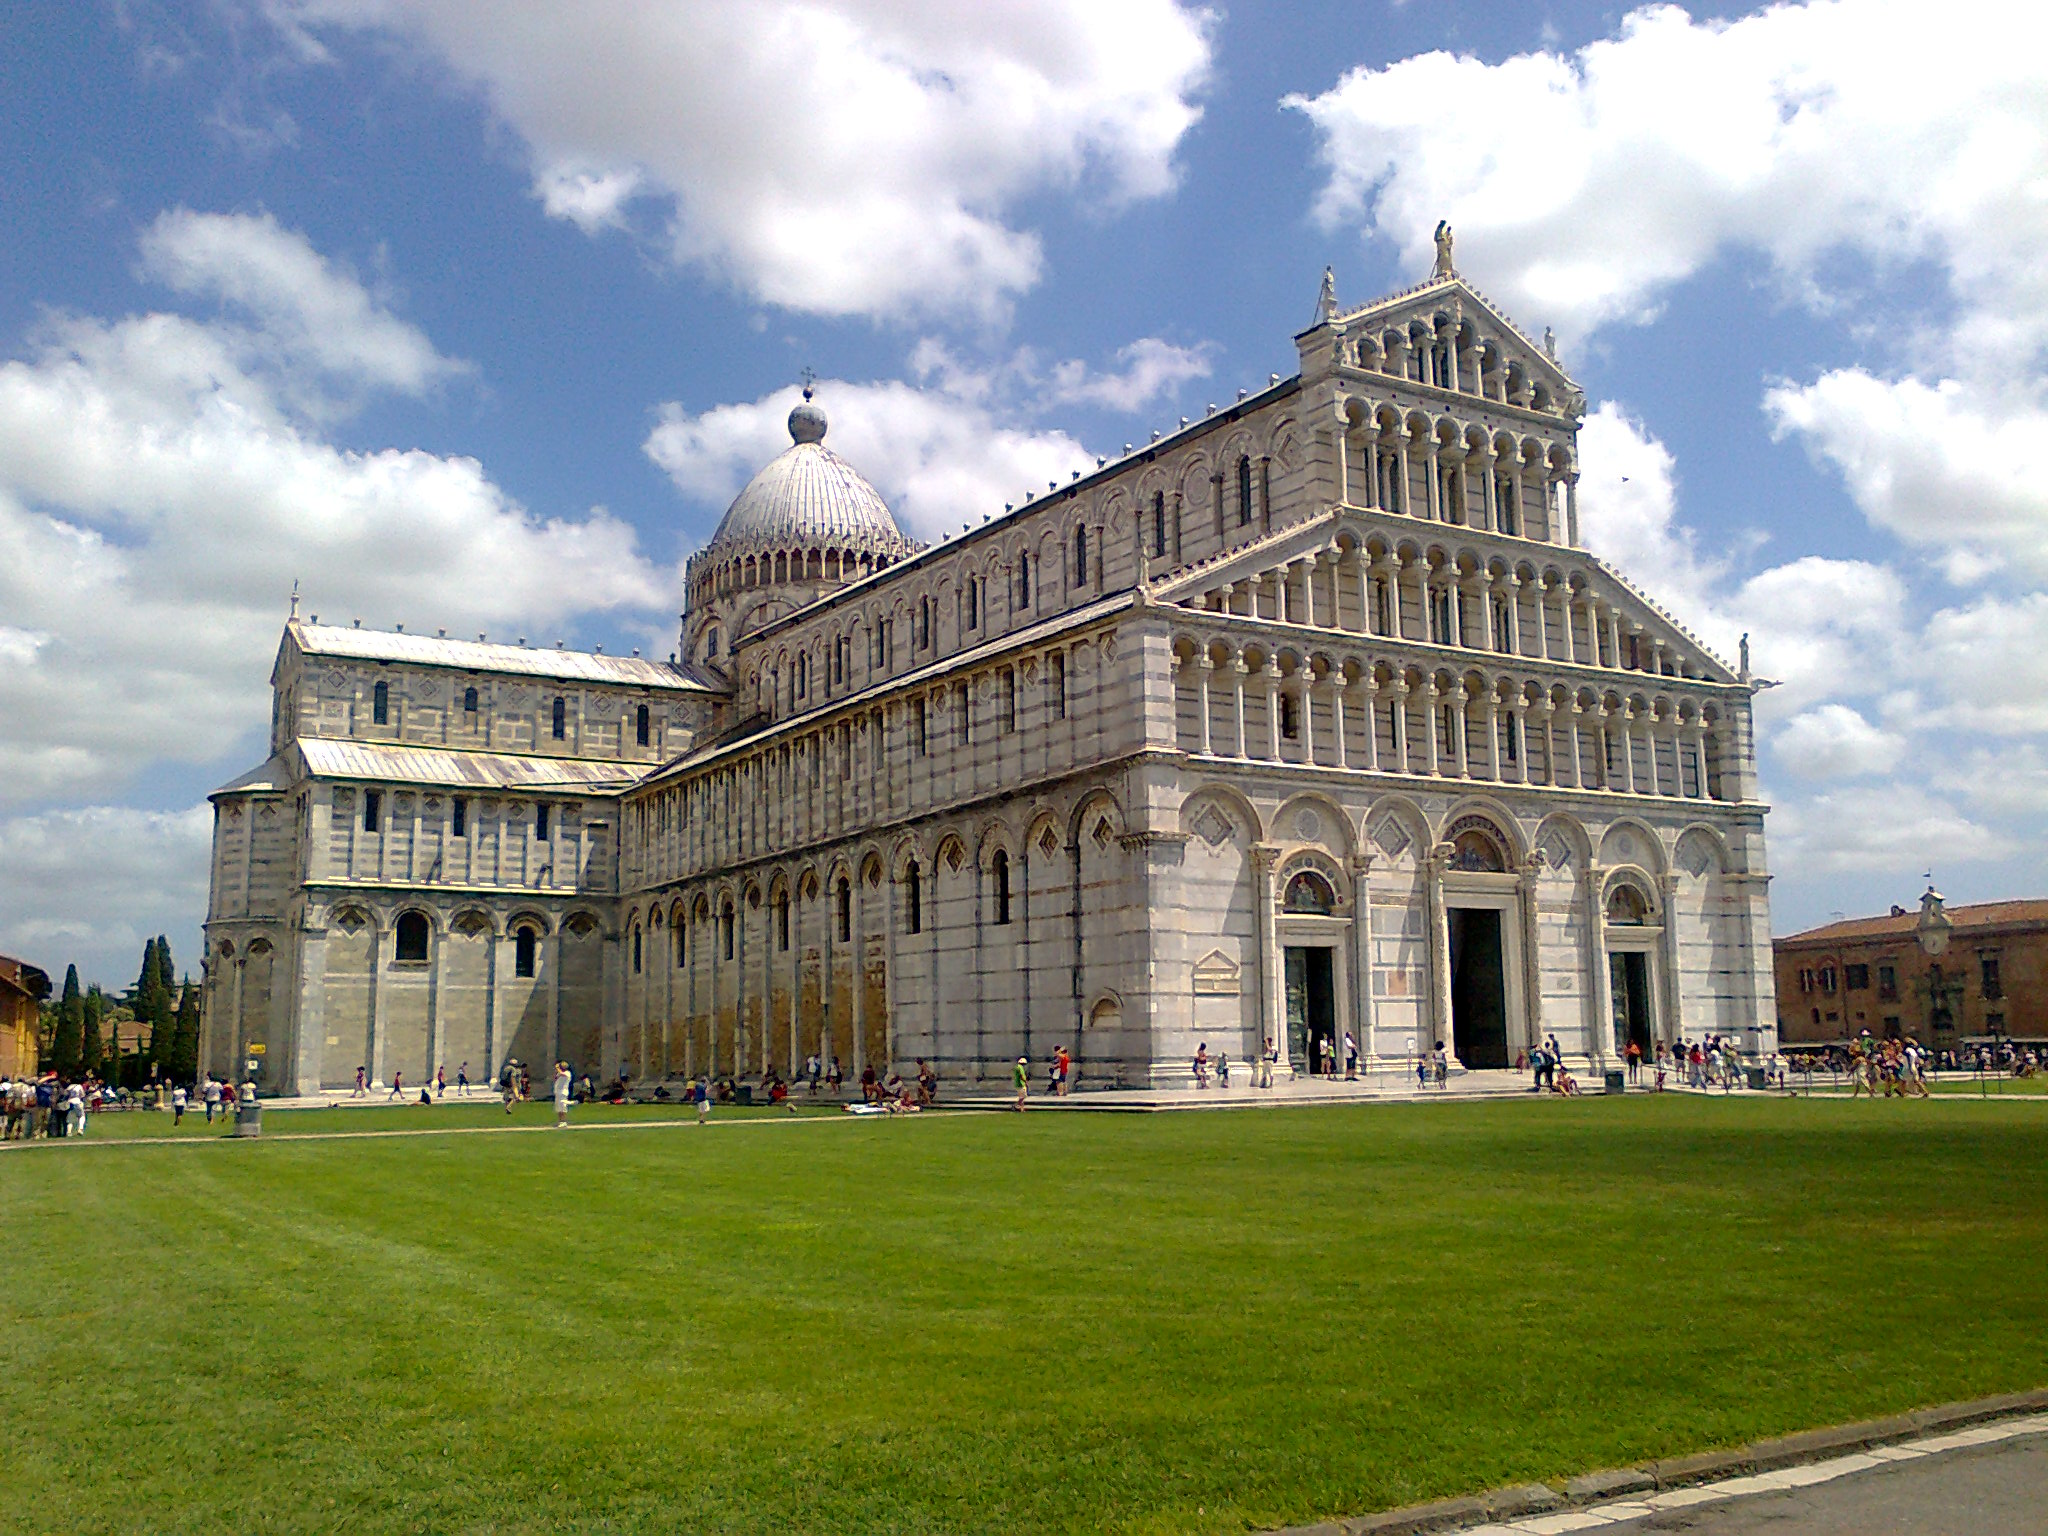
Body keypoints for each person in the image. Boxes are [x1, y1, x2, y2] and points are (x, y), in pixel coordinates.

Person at [553, 1062, 572, 1127]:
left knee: (562, 1107)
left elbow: (562, 1074)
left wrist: (557, 1068)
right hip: (558, 1092)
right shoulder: (560, 1073)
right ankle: (560, 1121)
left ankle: (563, 1121)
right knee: (558, 1108)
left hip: (563, 1092)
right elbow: (556, 1077)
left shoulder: (567, 1073)